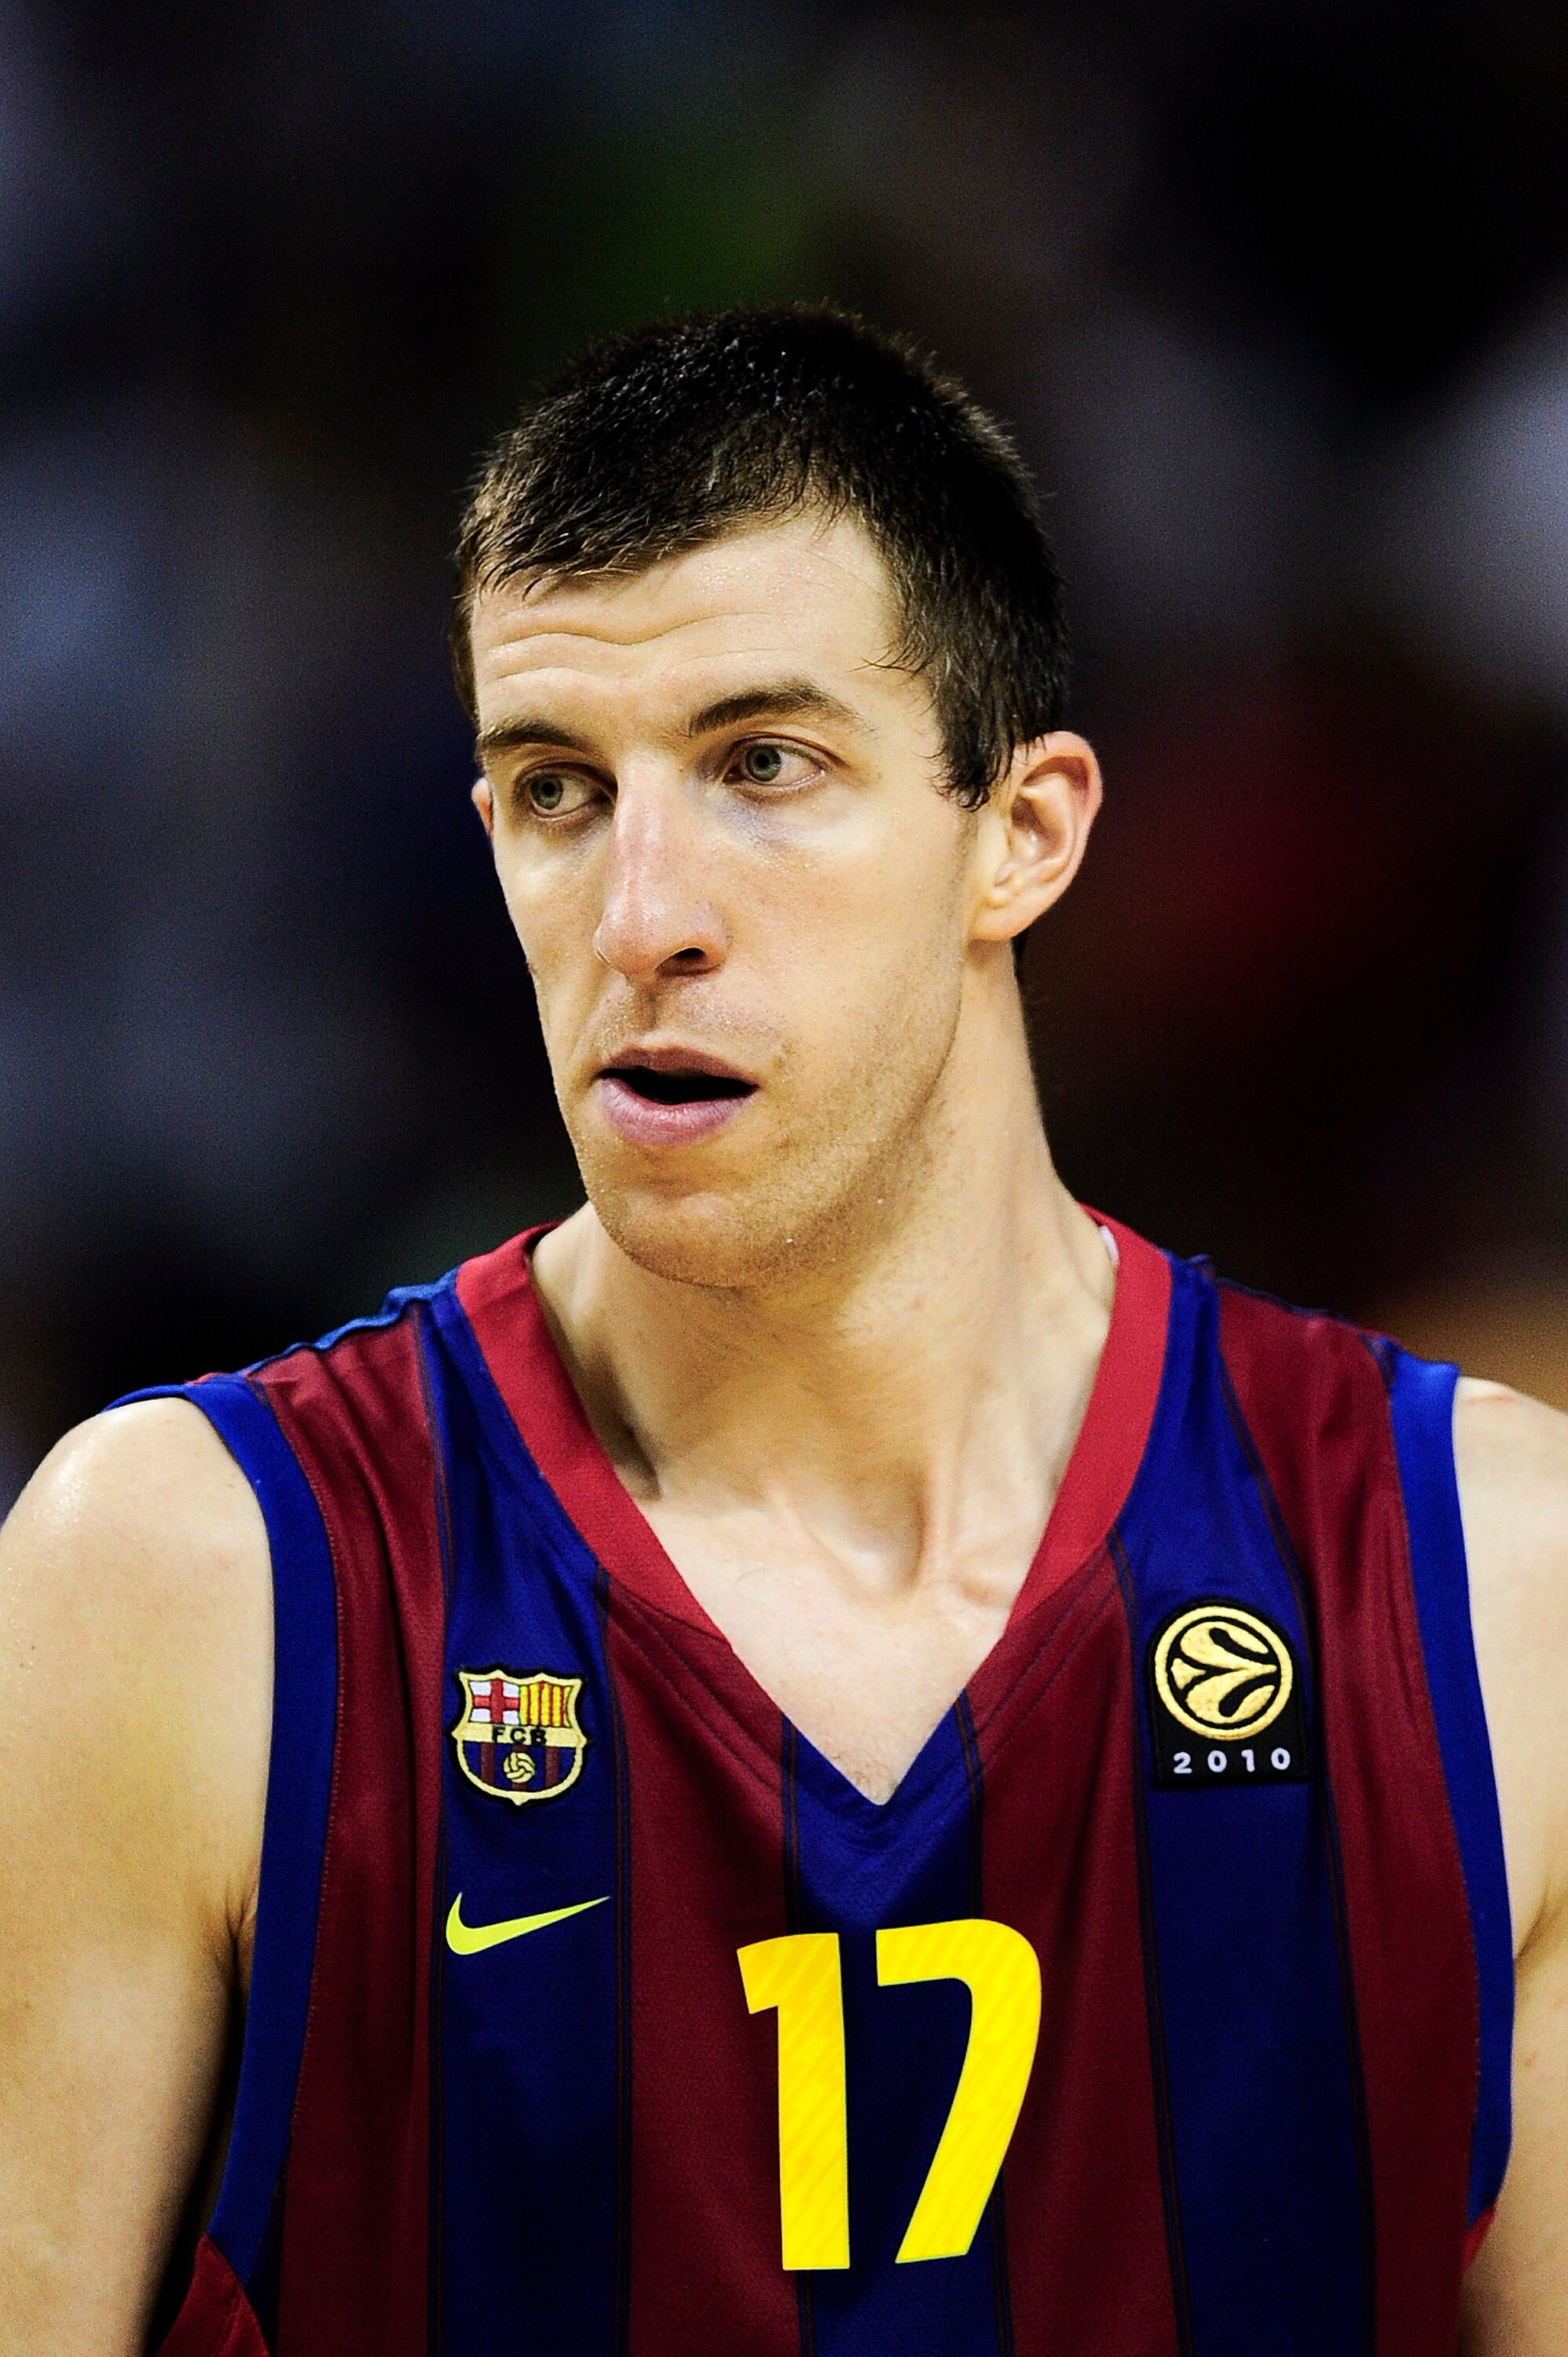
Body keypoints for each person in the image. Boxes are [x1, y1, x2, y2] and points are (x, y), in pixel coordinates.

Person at [1, 306, 1564, 2357]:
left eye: (763, 766)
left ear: (1023, 830)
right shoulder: (192, 1578)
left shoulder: (1487, 1588)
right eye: (557, 790)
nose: (642, 909)